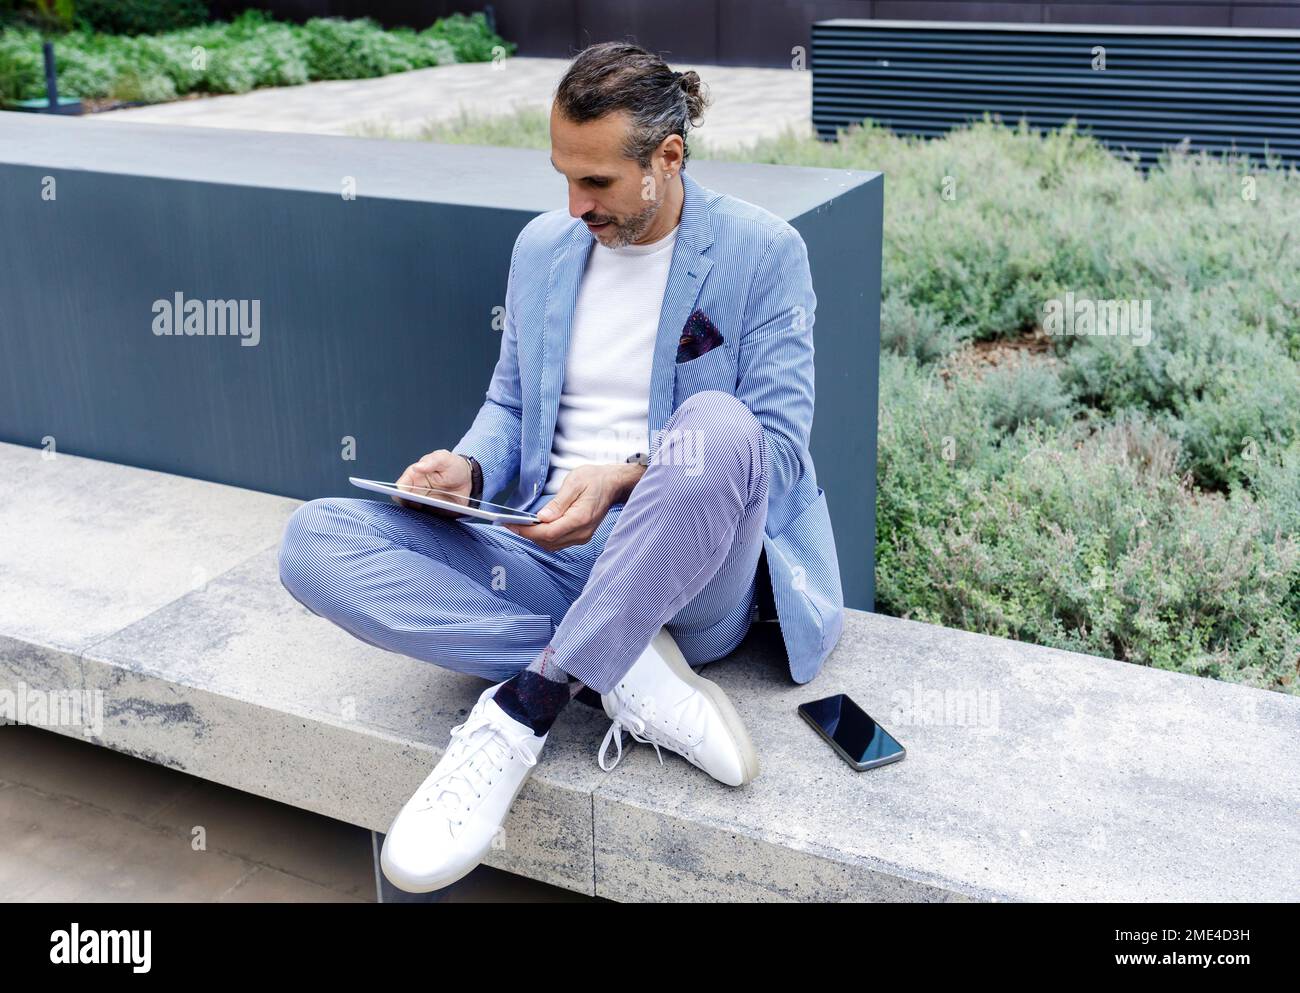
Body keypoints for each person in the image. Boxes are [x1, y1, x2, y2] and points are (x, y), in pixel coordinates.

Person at [277, 41, 844, 894]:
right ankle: (617, 665)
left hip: (691, 574)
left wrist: (624, 477)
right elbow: (510, 404)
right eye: (563, 177)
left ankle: (527, 706)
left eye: (598, 183)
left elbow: (780, 455)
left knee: (721, 424)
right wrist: (468, 468)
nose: (575, 203)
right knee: (312, 540)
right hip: (541, 551)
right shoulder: (543, 247)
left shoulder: (764, 254)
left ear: (667, 157)